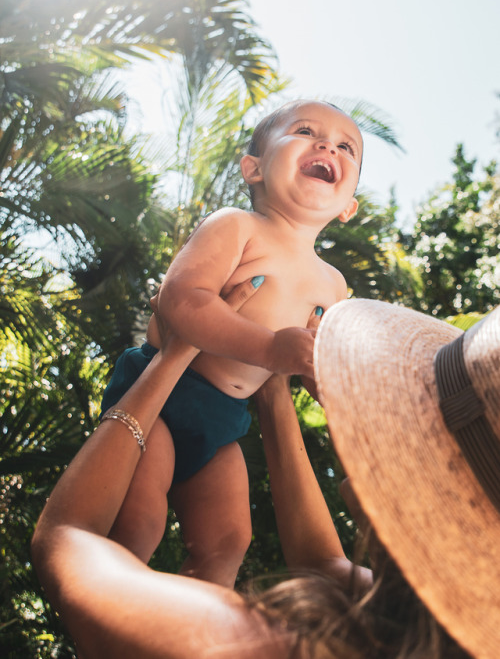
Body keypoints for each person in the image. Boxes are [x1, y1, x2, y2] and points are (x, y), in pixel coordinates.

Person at [31, 295, 500, 658]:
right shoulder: (421, 632)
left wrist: (173, 356)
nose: (388, 420)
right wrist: (273, 386)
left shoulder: (241, 645)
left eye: (411, 419)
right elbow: (322, 564)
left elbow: (66, 539)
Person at [100, 99, 363, 585]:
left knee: (227, 542)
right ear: (254, 168)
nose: (328, 145)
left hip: (224, 421)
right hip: (159, 397)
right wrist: (268, 350)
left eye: (346, 147)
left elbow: (313, 361)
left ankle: (189, 641)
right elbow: (180, 299)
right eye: (306, 131)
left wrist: (330, 389)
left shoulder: (334, 285)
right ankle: (108, 623)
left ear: (349, 206)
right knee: (138, 522)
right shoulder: (237, 227)